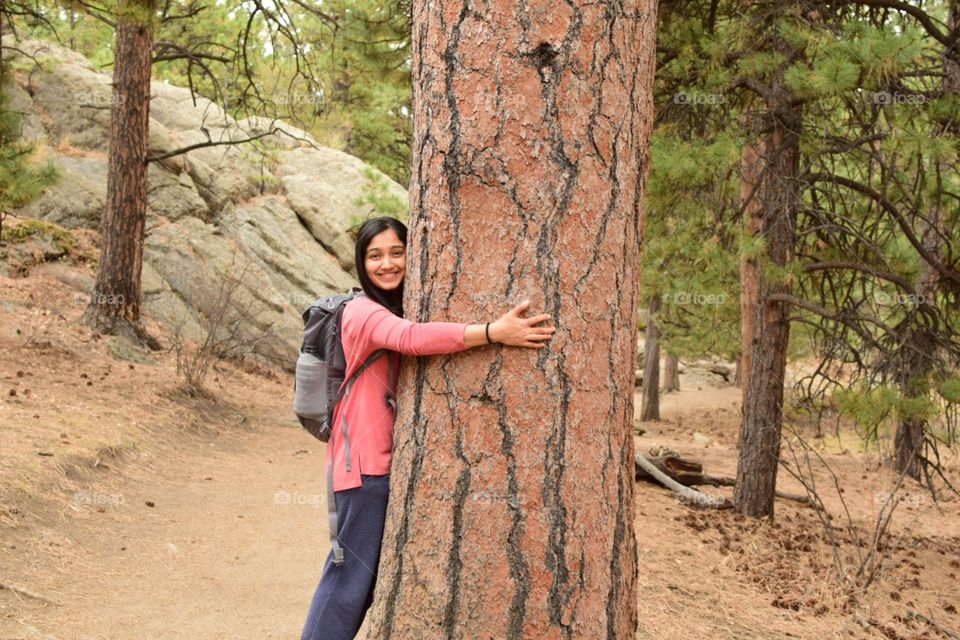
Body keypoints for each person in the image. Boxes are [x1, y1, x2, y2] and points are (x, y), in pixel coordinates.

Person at [299, 216, 555, 640]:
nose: (387, 264)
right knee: (348, 583)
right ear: (361, 264)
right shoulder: (362, 312)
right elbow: (413, 338)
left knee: (361, 586)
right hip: (361, 470)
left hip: (375, 468)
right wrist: (494, 332)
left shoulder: (386, 307)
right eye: (375, 255)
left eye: (397, 252)